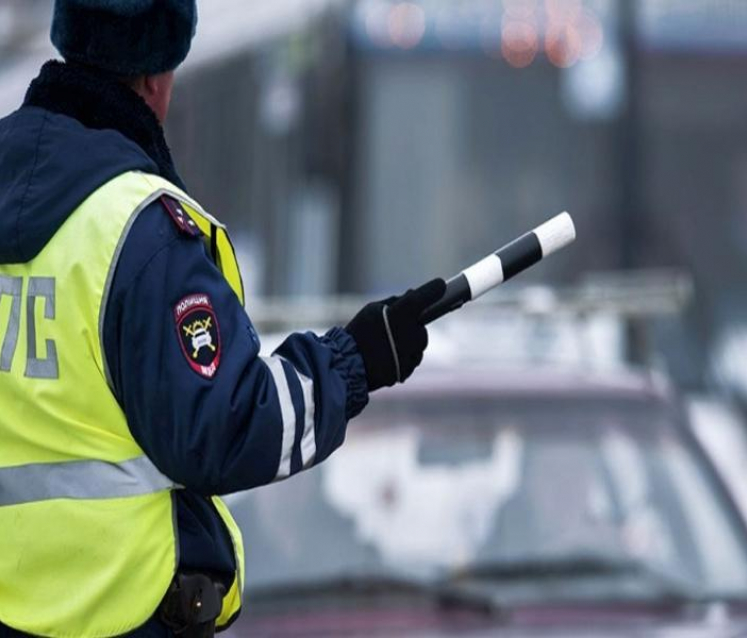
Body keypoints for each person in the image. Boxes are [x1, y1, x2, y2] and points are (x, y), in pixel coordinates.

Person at [0, 1, 445, 636]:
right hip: (122, 618)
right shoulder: (139, 233)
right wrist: (357, 362)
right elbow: (227, 427)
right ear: (158, 77)